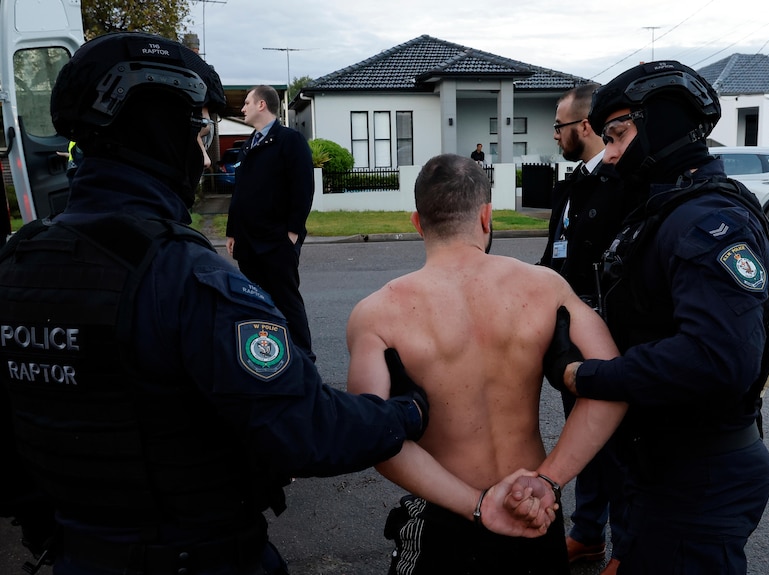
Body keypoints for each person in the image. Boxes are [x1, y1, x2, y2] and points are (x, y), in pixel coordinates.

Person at [0, 32, 432, 575]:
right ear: (158, 131)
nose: (201, 149)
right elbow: (308, 429)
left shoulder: (16, 263)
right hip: (201, 556)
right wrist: (408, 411)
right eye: (195, 129)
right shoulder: (186, 279)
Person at [532, 60, 769, 574]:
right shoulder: (668, 210)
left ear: (662, 123)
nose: (614, 153)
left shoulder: (707, 222)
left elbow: (718, 358)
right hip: (664, 467)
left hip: (699, 474)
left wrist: (586, 376)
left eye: (619, 135)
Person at [346, 153, 628, 575]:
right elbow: (614, 385)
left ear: (417, 222)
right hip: (534, 507)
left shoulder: (377, 313)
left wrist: (479, 506)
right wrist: (548, 480)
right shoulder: (546, 287)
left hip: (446, 515)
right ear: (486, 215)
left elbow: (374, 436)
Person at [538, 83, 631, 572]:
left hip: (607, 333)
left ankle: (626, 549)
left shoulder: (622, 183)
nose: (555, 134)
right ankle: (588, 533)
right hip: (568, 328)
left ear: (585, 127)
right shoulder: (574, 180)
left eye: (560, 125)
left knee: (615, 441)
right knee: (582, 434)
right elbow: (557, 250)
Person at [226, 84, 315, 361]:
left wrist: (292, 233)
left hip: (276, 242)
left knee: (287, 302)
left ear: (262, 105)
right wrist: (232, 232)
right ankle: (271, 359)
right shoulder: (249, 145)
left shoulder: (289, 140)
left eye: (247, 103)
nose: (243, 108)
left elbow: (303, 189)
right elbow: (240, 193)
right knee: (256, 304)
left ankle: (304, 360)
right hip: (248, 243)